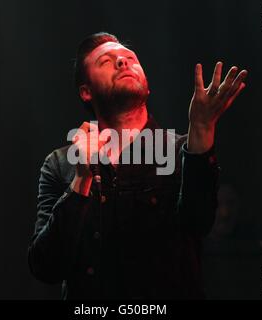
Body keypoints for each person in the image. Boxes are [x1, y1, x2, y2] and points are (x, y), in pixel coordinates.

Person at [28, 32, 248, 299]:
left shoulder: (182, 150)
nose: (122, 62)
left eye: (129, 58)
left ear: (147, 85)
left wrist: (201, 130)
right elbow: (46, 267)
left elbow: (198, 223)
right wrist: (81, 179)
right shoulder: (61, 164)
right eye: (106, 61)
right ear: (86, 92)